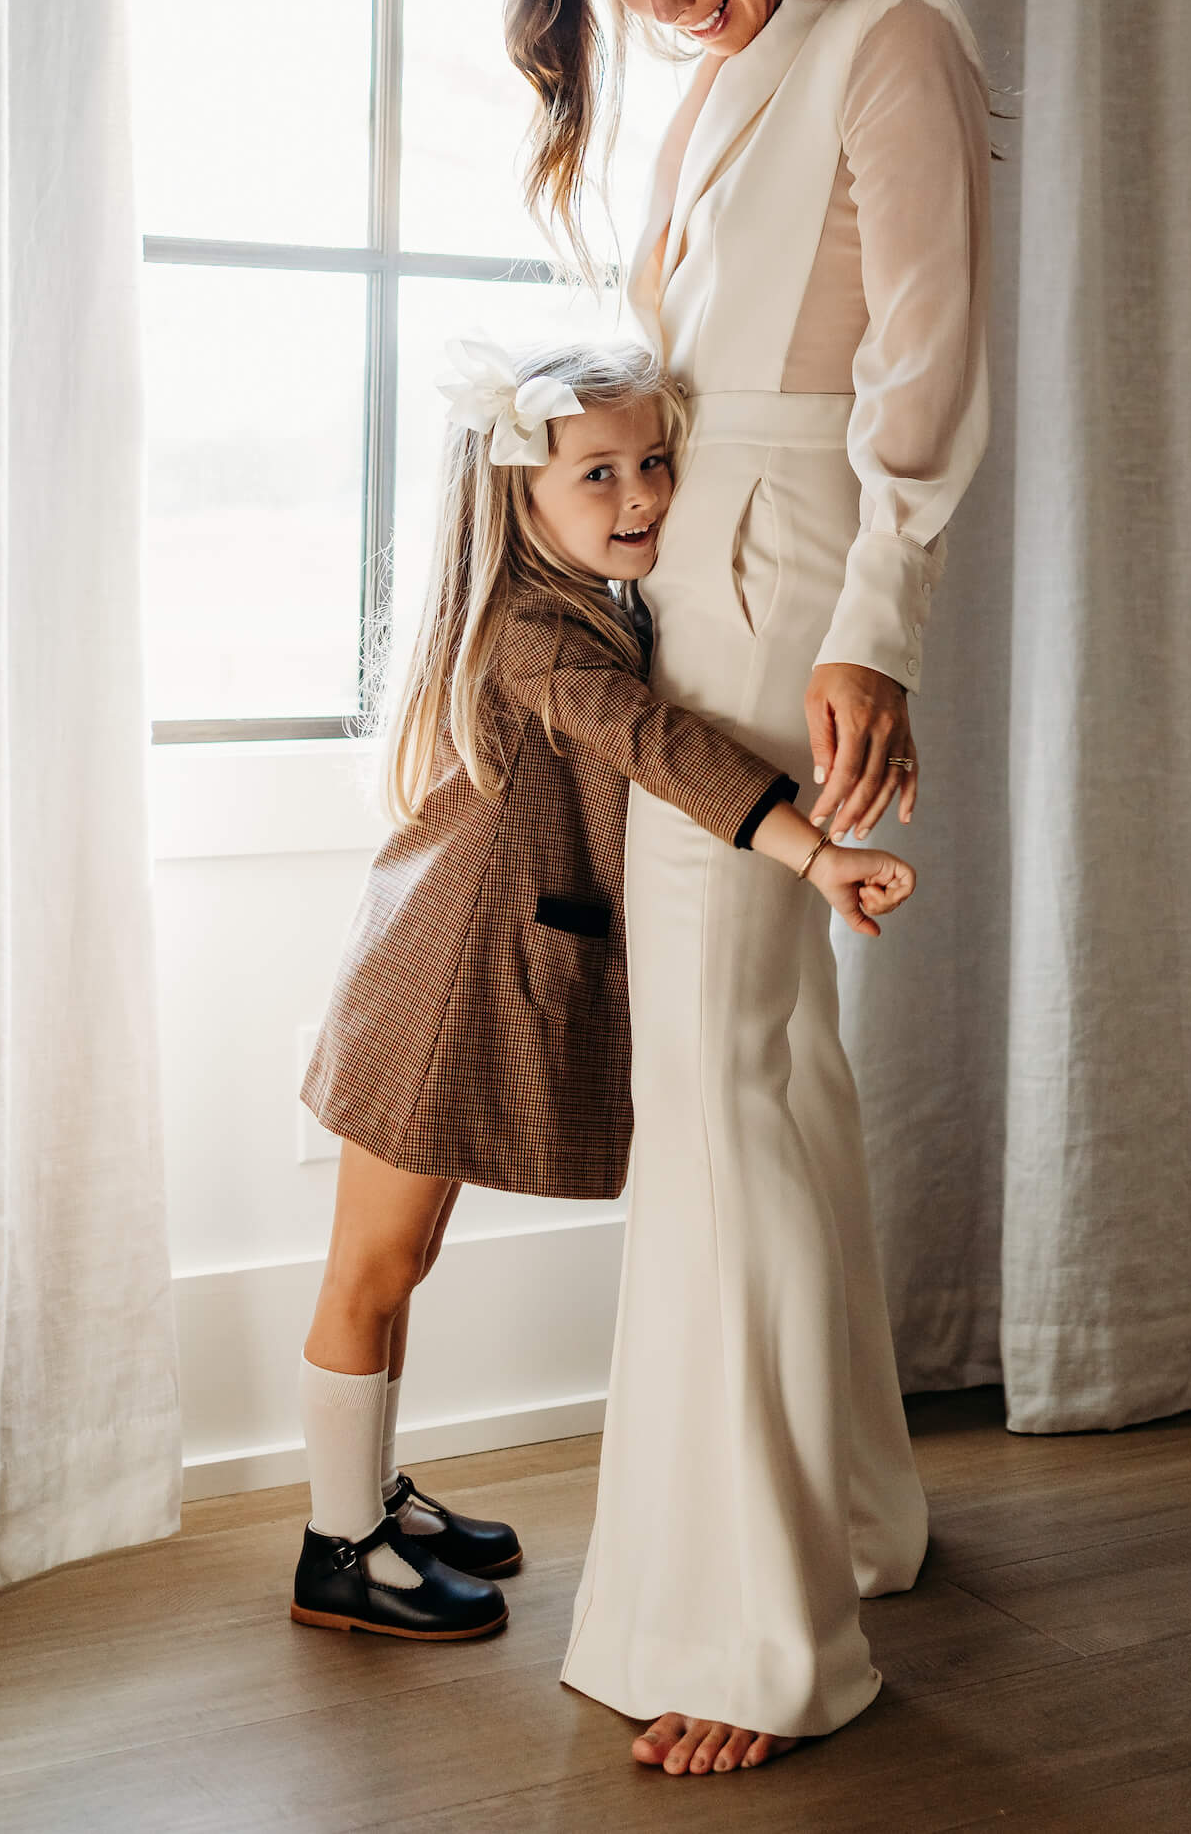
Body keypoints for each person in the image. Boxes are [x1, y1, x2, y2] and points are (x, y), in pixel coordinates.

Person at [504, 0, 991, 1772]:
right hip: (691, 575)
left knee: (716, 1079)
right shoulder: (720, 87)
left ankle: (757, 1631)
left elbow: (928, 360)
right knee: (772, 1062)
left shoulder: (893, 34)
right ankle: (853, 1513)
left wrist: (878, 628)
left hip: (788, 590)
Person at [290, 334, 916, 1644]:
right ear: (519, 496)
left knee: (409, 1259)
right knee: (375, 1266)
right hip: (435, 989)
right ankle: (334, 1549)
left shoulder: (592, 605)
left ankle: (372, 1497)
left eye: (654, 463)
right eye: (599, 475)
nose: (642, 496)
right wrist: (813, 849)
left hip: (466, 976)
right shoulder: (534, 634)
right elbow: (656, 744)